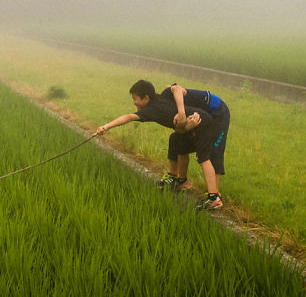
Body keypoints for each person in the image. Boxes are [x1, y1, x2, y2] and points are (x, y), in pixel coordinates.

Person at [94, 79, 230, 211]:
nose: (134, 102)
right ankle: (181, 181)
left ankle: (214, 196)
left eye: (135, 98)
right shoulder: (163, 98)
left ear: (146, 97)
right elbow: (179, 127)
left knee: (209, 155)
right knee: (177, 139)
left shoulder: (157, 105)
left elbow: (129, 117)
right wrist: (186, 125)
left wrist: (106, 127)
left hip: (216, 111)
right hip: (199, 117)